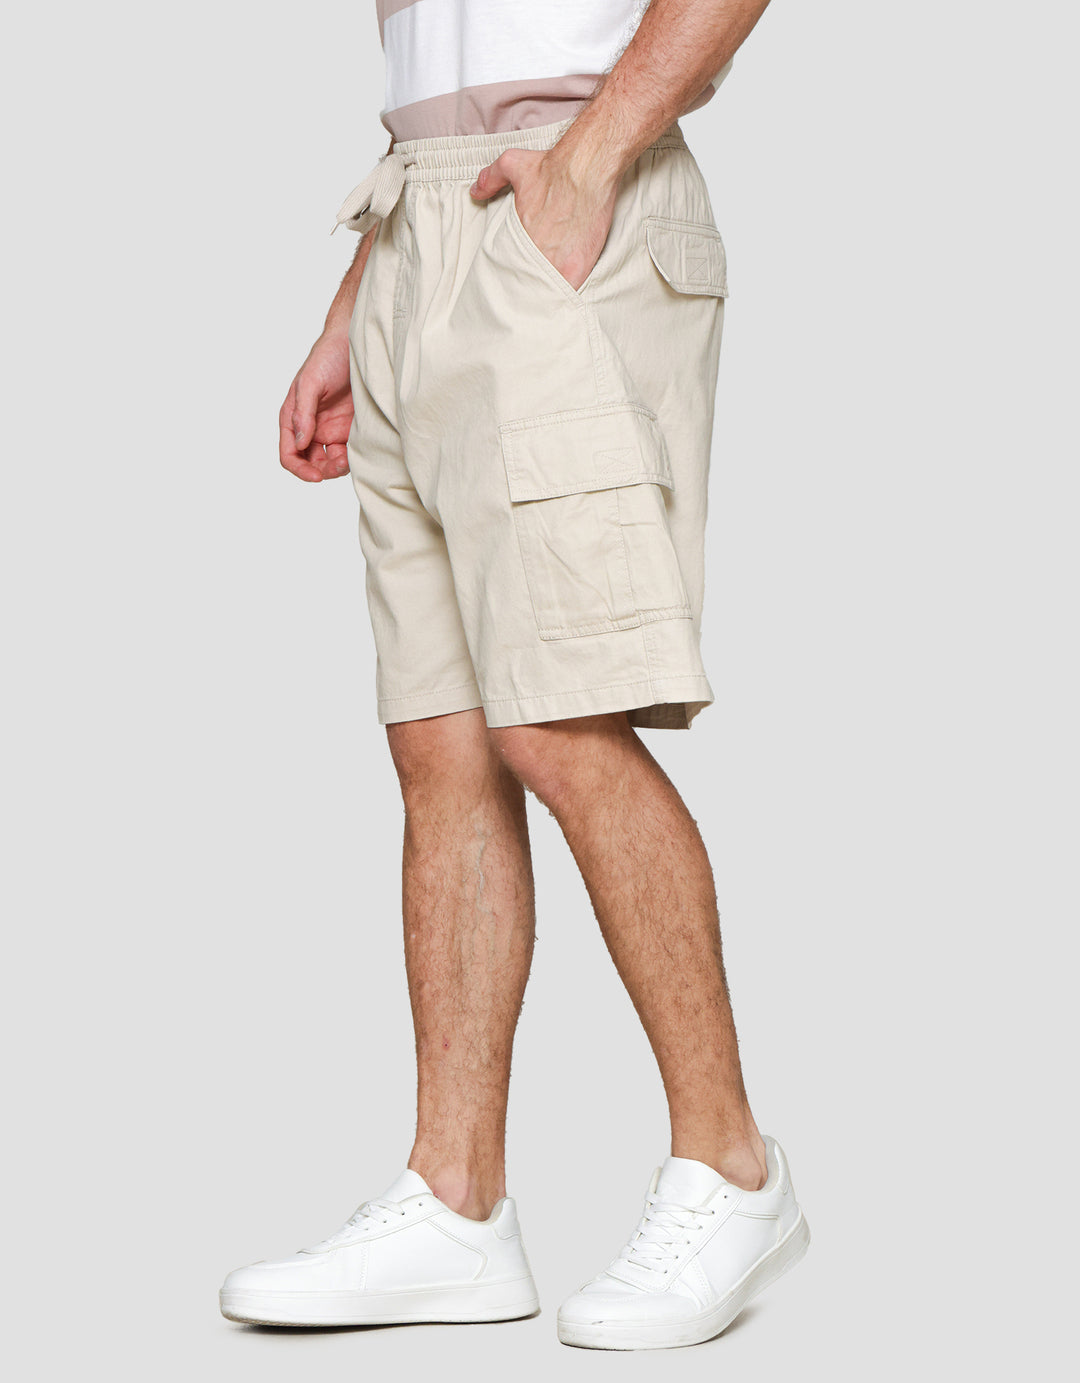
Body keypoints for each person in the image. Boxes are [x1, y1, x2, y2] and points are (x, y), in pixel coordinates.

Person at [220, 0, 809, 1351]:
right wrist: (358, 297)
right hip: (416, 222)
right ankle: (455, 1203)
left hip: (563, 202)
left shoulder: (581, 172)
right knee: (443, 741)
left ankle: (731, 1168)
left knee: (559, 720)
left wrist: (595, 157)